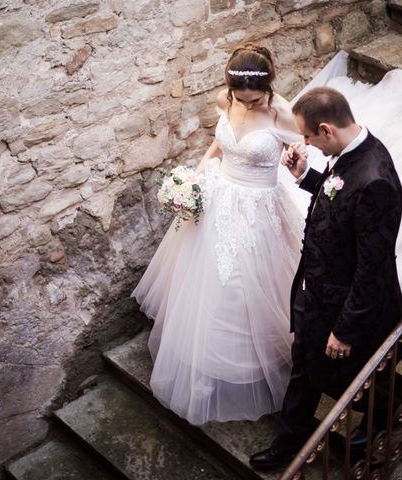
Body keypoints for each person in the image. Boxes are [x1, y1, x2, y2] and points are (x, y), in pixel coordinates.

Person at [133, 45, 305, 425]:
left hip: (261, 209)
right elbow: (219, 143)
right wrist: (194, 176)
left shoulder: (282, 112)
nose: (246, 103)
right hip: (218, 200)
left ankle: (249, 366)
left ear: (268, 88)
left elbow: (302, 153)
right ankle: (206, 369)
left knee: (248, 287)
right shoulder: (224, 100)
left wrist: (294, 163)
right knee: (208, 287)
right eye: (239, 98)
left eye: (254, 99)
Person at [249, 87, 402, 469]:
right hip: (317, 292)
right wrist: (305, 175)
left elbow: (374, 268)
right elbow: (340, 200)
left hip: (343, 306)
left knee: (342, 375)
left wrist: (346, 330)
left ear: (326, 129)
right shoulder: (349, 151)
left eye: (307, 136)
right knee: (304, 367)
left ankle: (381, 418)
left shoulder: (376, 181)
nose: (304, 143)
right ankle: (289, 444)